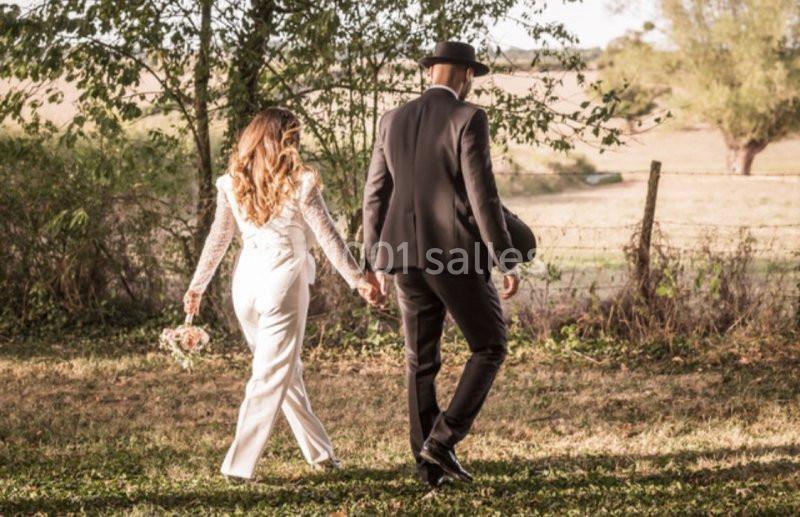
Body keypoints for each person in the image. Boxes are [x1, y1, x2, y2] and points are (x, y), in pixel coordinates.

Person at [183, 107, 381, 481]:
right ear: (286, 139)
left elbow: (219, 237)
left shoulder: (232, 181)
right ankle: (238, 466)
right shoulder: (301, 182)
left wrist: (199, 285)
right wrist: (358, 279)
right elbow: (328, 237)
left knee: (284, 372)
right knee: (270, 375)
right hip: (282, 280)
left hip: (245, 284)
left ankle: (321, 453)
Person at [362, 41, 520, 488]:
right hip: (454, 256)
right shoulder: (468, 118)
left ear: (430, 71)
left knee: (420, 360)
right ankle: (443, 440)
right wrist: (505, 256)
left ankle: (428, 467)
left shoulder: (391, 120)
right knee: (490, 345)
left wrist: (373, 261)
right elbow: (481, 194)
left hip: (402, 259)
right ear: (467, 75)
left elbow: (374, 195)